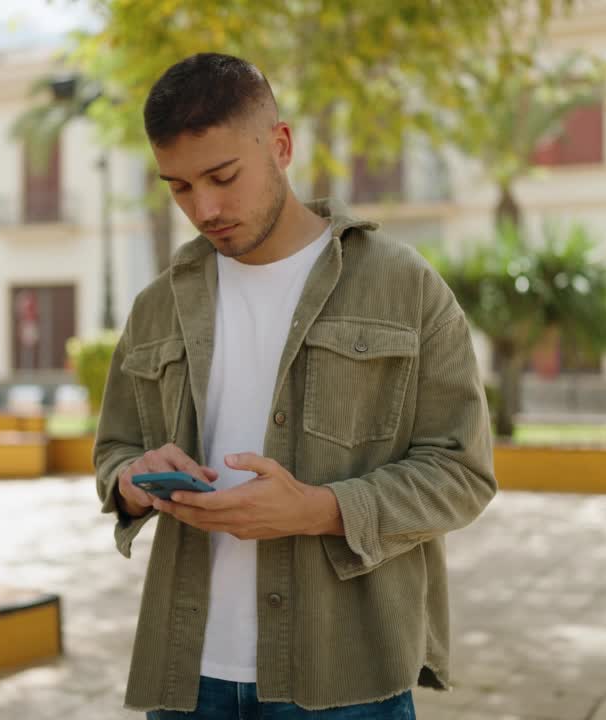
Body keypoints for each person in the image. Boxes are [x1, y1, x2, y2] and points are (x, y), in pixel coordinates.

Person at [94, 52, 496, 719]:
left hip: (345, 673)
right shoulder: (157, 306)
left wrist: (319, 509)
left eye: (223, 176)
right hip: (186, 672)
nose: (206, 207)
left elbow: (462, 471)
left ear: (280, 145)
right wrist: (134, 481)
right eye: (180, 187)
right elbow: (114, 450)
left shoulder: (403, 286)